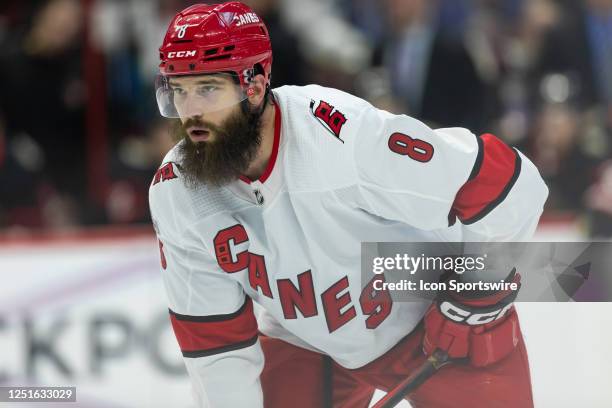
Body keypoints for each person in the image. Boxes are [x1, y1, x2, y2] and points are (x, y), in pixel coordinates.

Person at [148, 2, 548, 407]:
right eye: (178, 91)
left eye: (208, 89)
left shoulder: (340, 139)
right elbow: (217, 351)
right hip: (309, 342)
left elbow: (513, 187)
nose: (191, 112)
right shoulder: (177, 192)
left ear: (253, 87)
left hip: (437, 324)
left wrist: (475, 291)